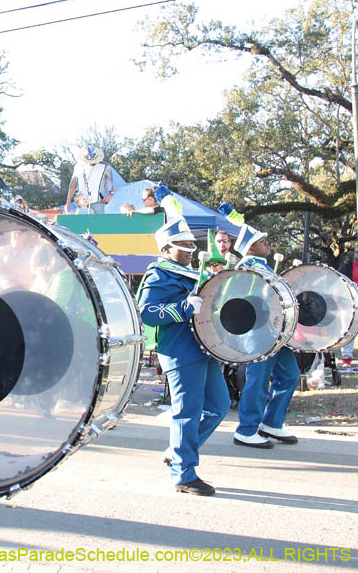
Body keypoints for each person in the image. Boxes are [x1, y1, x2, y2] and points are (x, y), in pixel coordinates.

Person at [137, 187, 229, 496]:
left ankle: (177, 451)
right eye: (183, 244)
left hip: (205, 348)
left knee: (219, 407)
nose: (190, 249)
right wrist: (181, 308)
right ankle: (183, 473)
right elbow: (147, 312)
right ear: (166, 248)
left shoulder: (192, 272)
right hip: (179, 351)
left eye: (191, 244)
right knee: (187, 412)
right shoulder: (159, 274)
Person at [228, 210, 300, 448]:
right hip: (259, 330)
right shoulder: (247, 267)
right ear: (250, 248)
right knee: (258, 381)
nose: (266, 242)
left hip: (276, 332)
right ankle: (246, 429)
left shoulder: (263, 266)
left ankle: (271, 423)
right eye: (261, 241)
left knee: (289, 376)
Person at [64, 146, 116, 214]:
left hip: (98, 202)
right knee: (81, 223)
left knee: (98, 222)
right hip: (82, 202)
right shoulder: (78, 167)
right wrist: (68, 203)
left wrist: (111, 194)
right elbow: (73, 185)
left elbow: (114, 183)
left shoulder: (105, 166)